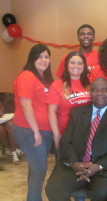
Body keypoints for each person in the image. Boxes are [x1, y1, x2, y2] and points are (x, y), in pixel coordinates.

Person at [45, 77, 107, 201]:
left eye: (104, 90)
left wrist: (98, 166)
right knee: (53, 189)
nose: (99, 93)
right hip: (76, 166)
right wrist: (75, 163)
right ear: (90, 92)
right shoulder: (77, 112)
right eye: (95, 90)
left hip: (103, 169)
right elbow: (66, 141)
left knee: (101, 193)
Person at [12, 44, 54, 201]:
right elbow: (25, 104)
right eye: (40, 56)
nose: (43, 60)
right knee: (39, 169)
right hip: (29, 130)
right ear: (32, 58)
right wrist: (36, 131)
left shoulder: (43, 78)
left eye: (46, 56)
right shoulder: (27, 76)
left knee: (35, 167)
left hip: (43, 130)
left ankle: (33, 198)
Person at [47, 51, 91, 148]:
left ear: (84, 66)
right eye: (72, 62)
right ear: (66, 65)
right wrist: (56, 134)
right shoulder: (57, 85)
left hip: (87, 133)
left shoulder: (90, 84)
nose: (76, 65)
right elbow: (51, 112)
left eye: (80, 63)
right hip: (66, 134)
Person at [0, 95, 23, 164]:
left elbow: (1, 108)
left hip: (2, 120)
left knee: (10, 124)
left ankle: (14, 151)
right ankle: (12, 150)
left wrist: (1, 112)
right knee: (1, 130)